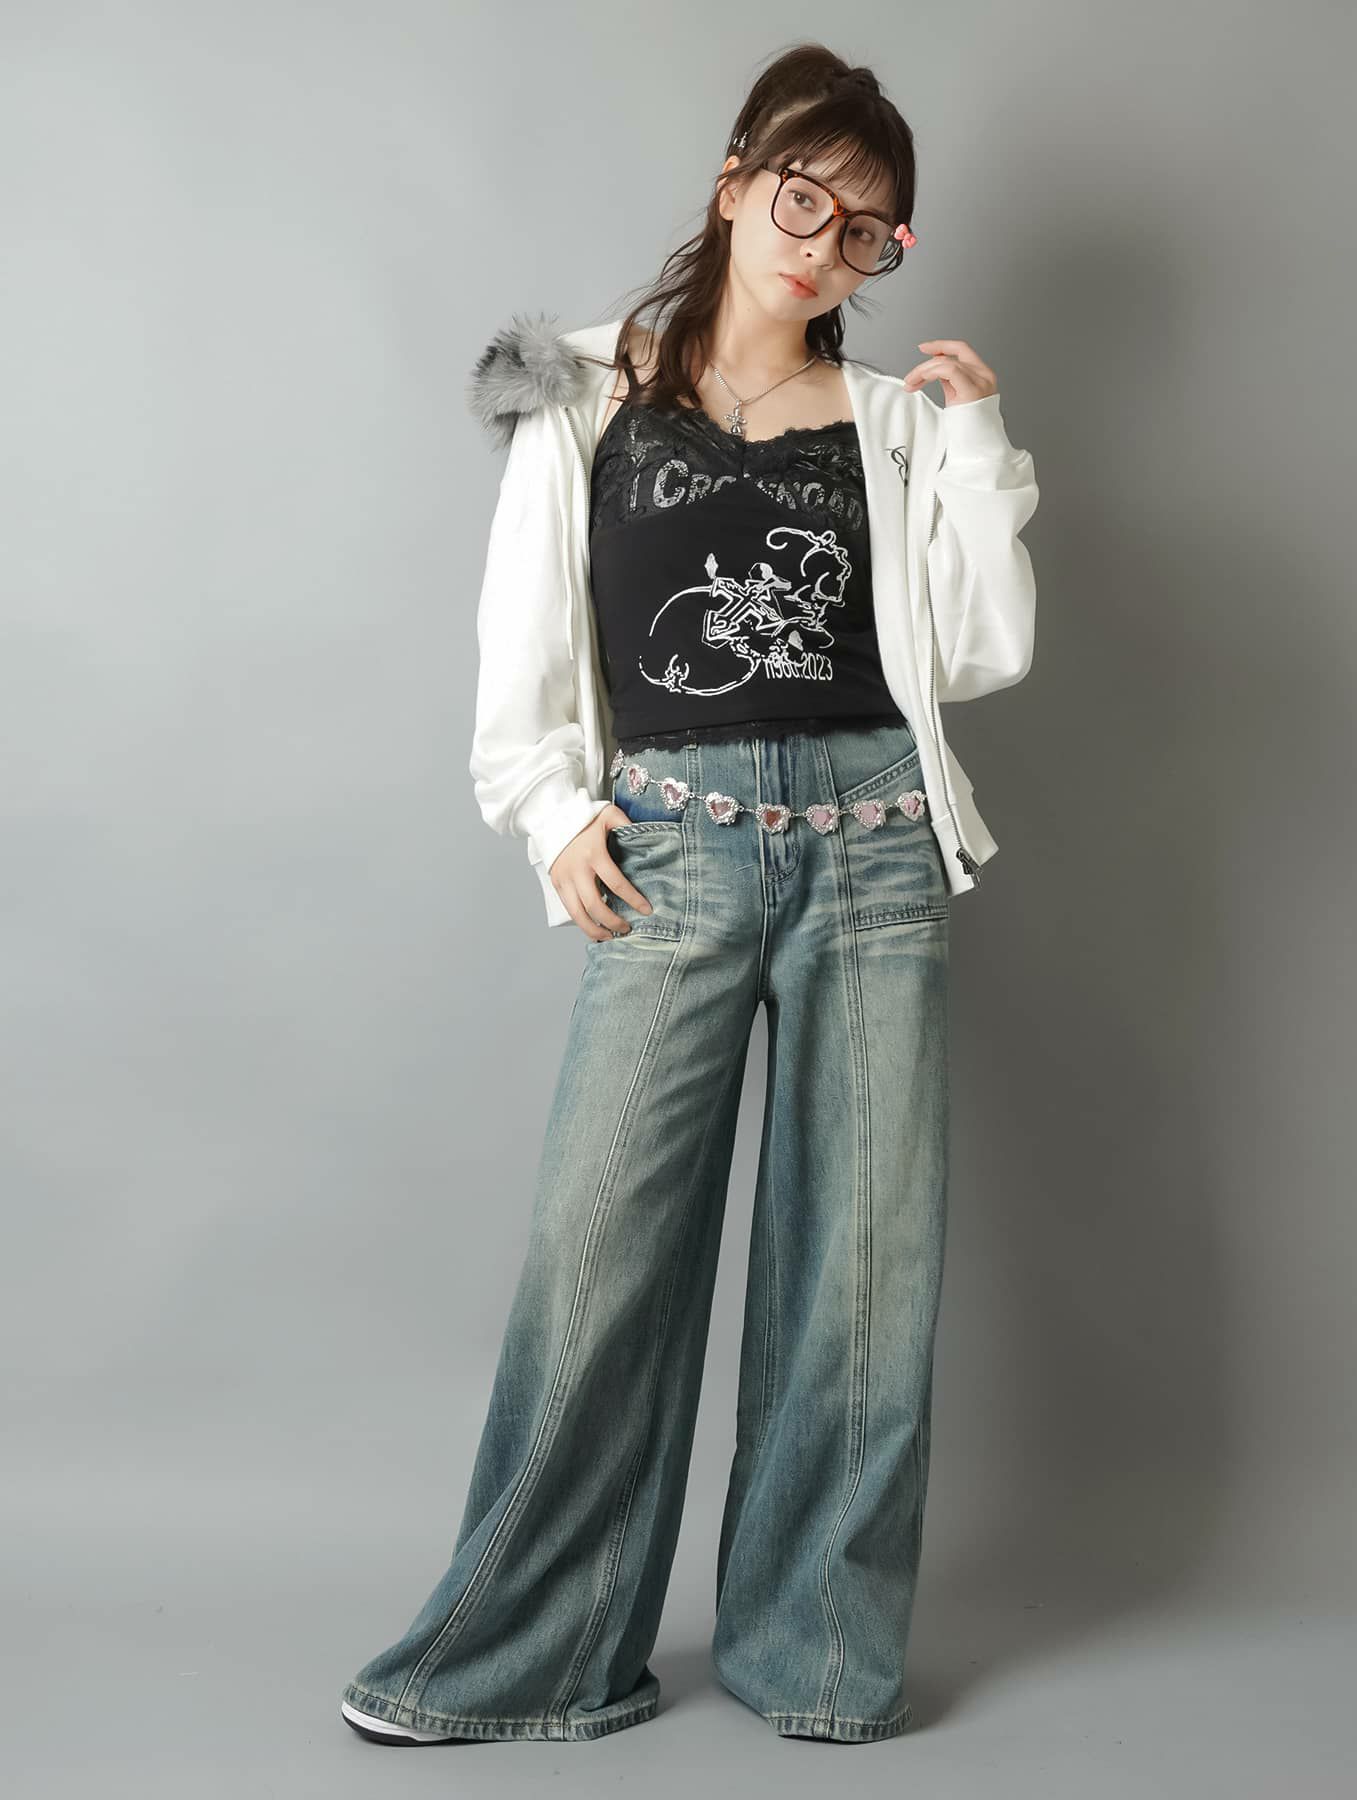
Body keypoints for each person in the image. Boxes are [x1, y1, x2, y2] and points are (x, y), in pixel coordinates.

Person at [339, 41, 1040, 1748]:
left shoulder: (893, 425)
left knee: (860, 1278)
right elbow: (521, 650)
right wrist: (548, 813)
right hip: (675, 845)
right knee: (600, 1257)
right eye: (805, 199)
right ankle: (538, 1653)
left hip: (875, 850)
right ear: (735, 183)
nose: (825, 247)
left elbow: (976, 652)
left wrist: (979, 451)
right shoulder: (583, 394)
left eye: (869, 231)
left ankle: (818, 1659)